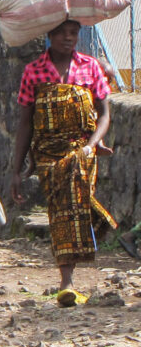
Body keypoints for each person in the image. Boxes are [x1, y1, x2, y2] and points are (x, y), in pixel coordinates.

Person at [10, 19, 117, 306]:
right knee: (61, 211)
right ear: (50, 35)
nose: (68, 38)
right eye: (62, 33)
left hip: (81, 150)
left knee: (73, 204)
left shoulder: (91, 67)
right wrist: (17, 169)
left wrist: (92, 145)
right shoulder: (33, 71)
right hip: (47, 154)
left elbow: (103, 113)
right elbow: (25, 123)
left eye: (73, 33)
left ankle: (71, 273)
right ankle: (67, 280)